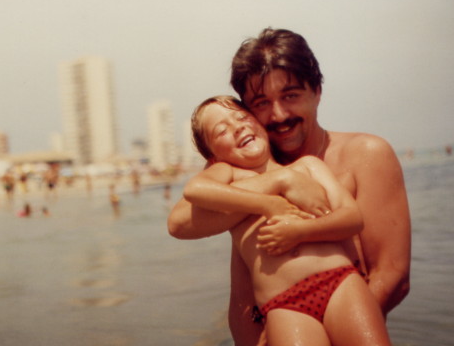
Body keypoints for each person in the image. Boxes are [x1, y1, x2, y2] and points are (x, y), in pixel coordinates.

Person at [167, 28, 411, 345]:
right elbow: (180, 223)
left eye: (291, 95)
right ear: (249, 110)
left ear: (317, 91)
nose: (279, 114)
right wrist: (281, 181)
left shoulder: (364, 154)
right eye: (261, 102)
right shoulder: (237, 169)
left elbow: (391, 274)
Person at [183, 95, 391, 345]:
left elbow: (352, 218)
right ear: (213, 158)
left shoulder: (307, 166)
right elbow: (195, 189)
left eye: (242, 117)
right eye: (221, 131)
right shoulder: (228, 179)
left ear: (260, 124)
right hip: (284, 304)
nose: (236, 127)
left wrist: (300, 231)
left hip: (339, 281)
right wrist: (267, 204)